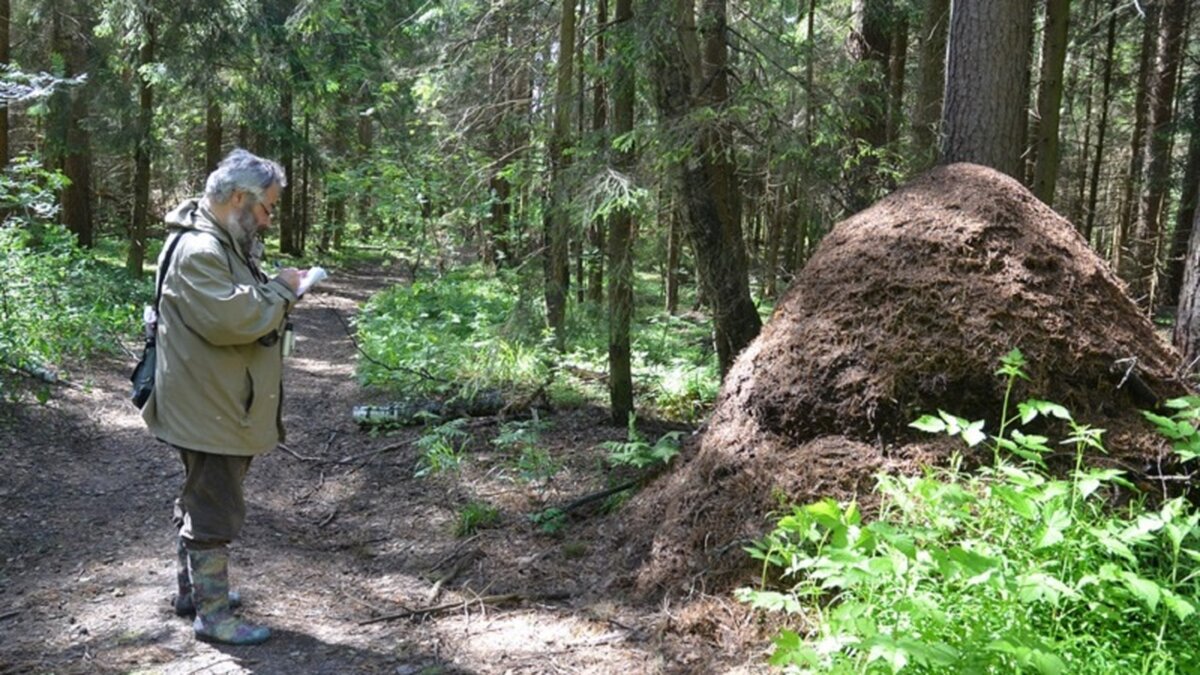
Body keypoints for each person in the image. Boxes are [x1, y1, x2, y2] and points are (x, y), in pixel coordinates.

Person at [141, 148, 303, 646]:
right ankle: (213, 616)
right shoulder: (202, 250)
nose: (268, 220)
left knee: (202, 497)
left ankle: (195, 593)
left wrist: (273, 288)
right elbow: (234, 319)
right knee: (214, 508)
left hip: (212, 399)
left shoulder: (218, 239)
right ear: (239, 198)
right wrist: (283, 291)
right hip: (209, 406)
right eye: (266, 208)